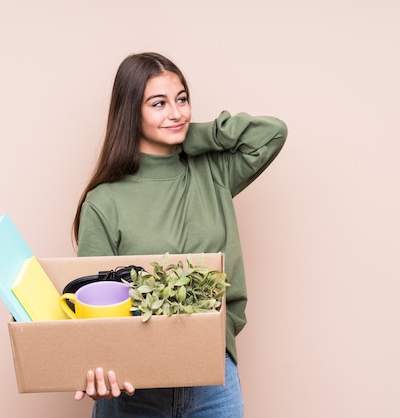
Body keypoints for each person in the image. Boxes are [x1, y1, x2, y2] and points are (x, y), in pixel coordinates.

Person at [71, 52, 287, 417]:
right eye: (159, 103)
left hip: (212, 380)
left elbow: (272, 133)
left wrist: (188, 134)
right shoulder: (104, 202)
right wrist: (95, 370)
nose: (176, 112)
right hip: (131, 387)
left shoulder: (213, 172)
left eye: (182, 99)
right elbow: (93, 309)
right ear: (130, 113)